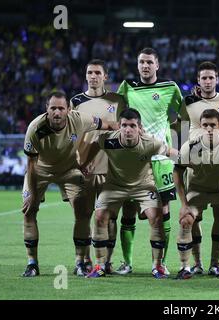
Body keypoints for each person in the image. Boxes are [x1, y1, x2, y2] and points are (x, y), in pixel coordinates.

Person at [21, 91, 116, 277]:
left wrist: (121, 129)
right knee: (28, 211)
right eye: (53, 108)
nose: (57, 112)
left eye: (61, 108)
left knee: (83, 212)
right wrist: (32, 195)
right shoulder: (35, 128)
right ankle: (32, 263)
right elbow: (31, 165)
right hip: (39, 170)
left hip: (69, 170)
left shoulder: (79, 119)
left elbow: (106, 125)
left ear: (68, 110)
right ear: (46, 110)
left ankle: (80, 262)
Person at [83, 108, 175, 278]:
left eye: (132, 125)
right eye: (124, 125)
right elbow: (95, 144)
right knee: (100, 216)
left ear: (140, 127)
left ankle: (157, 266)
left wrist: (192, 159)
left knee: (156, 216)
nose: (128, 129)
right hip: (115, 185)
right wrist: (85, 164)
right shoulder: (109, 140)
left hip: (144, 186)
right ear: (119, 126)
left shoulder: (151, 143)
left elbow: (170, 152)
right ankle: (100, 265)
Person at [117, 47, 183, 275]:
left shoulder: (170, 87)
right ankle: (127, 263)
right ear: (138, 65)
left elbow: (183, 115)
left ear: (157, 65)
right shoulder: (127, 87)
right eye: (141, 62)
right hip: (133, 160)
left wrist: (170, 136)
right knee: (128, 208)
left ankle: (160, 264)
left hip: (161, 159)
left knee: (163, 210)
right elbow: (118, 117)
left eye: (149, 62)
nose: (145, 66)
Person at [179, 61, 219, 276]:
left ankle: (215, 263)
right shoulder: (188, 102)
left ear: (217, 79)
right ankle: (196, 263)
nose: (207, 81)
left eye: (211, 77)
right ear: (198, 80)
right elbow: (176, 124)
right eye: (203, 77)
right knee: (194, 217)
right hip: (196, 164)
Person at [173, 109, 219, 280]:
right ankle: (185, 267)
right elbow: (177, 173)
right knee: (186, 219)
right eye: (205, 125)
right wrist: (184, 204)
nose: (209, 129)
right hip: (197, 190)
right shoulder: (190, 146)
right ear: (200, 126)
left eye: (213, 125)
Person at [70, 59, 127, 276]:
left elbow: (125, 130)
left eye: (97, 73)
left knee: (110, 217)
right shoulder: (76, 101)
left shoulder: (117, 100)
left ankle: (107, 262)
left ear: (106, 77)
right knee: (82, 216)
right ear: (85, 76)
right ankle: (81, 260)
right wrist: (76, 161)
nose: (93, 76)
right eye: (89, 72)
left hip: (111, 167)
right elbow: (71, 134)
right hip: (83, 168)